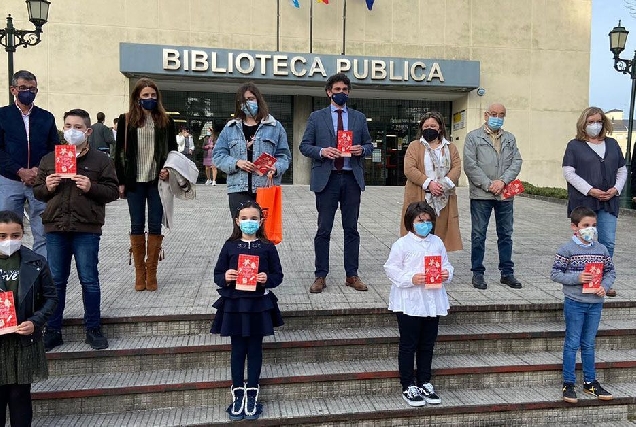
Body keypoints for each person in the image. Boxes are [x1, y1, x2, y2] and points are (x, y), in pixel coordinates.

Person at [33, 109, 119, 352]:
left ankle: (93, 328)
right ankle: (53, 330)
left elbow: (112, 192)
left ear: (88, 131)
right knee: (56, 281)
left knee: (89, 280)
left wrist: (91, 186)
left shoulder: (101, 161)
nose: (72, 131)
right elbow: (37, 191)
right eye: (68, 125)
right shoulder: (50, 159)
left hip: (86, 227)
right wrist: (46, 186)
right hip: (56, 226)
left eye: (78, 127)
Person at [299, 73, 374, 293]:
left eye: (344, 89)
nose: (341, 93)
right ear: (328, 92)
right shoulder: (316, 117)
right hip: (327, 179)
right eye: (337, 89)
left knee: (351, 229)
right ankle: (320, 275)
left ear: (348, 92)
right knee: (324, 229)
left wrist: (362, 149)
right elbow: (305, 146)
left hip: (351, 178)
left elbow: (369, 144)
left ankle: (352, 275)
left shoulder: (359, 118)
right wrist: (322, 151)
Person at [210, 200, 284, 421]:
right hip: (234, 304)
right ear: (237, 221)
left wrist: (266, 279)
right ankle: (237, 393)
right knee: (237, 350)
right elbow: (217, 273)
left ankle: (252, 392)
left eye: (253, 218)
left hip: (258, 305)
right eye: (244, 218)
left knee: (255, 349)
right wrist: (226, 276)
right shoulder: (230, 245)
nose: (249, 222)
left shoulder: (267, 246)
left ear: (261, 221)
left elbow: (278, 276)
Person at [384, 201, 453, 407]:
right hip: (410, 302)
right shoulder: (402, 244)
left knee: (427, 344)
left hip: (432, 300)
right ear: (411, 222)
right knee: (409, 344)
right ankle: (408, 384)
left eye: (428, 221)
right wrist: (411, 278)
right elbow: (391, 269)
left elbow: (446, 263)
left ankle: (424, 381)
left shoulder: (437, 242)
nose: (424, 224)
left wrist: (447, 273)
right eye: (420, 220)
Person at [114, 78, 178, 292]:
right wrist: (121, 181)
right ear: (137, 98)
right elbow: (119, 154)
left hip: (156, 181)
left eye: (153, 95)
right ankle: (139, 273)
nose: (150, 98)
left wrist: (168, 169)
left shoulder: (166, 121)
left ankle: (152, 272)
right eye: (145, 95)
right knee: (136, 224)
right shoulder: (126, 120)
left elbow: (173, 152)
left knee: (154, 225)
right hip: (134, 181)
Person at [550, 206, 614, 404]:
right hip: (575, 303)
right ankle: (568, 383)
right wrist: (577, 278)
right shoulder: (566, 250)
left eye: (594, 226)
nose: (591, 230)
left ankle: (590, 382)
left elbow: (610, 272)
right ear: (574, 227)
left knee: (588, 343)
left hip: (595, 303)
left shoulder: (601, 249)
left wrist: (604, 286)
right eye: (586, 226)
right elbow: (555, 274)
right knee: (572, 342)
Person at [0, 210, 57, 427]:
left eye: (15, 236)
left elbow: (51, 298)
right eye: (2, 236)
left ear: (23, 234)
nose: (9, 241)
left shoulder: (36, 261)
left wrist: (36, 321)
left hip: (24, 341)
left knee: (20, 396)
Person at [563, 107, 625, 298]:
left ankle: (603, 282)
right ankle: (587, 279)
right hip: (585, 201)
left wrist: (616, 189)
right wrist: (590, 190)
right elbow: (568, 172)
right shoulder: (575, 146)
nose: (595, 125)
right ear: (583, 124)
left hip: (608, 201)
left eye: (598, 121)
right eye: (590, 122)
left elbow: (622, 169)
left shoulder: (612, 144)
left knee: (607, 242)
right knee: (584, 242)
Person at [463, 103, 523, 290]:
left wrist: (502, 182)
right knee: (478, 234)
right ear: (486, 115)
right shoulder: (473, 137)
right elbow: (470, 165)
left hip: (505, 194)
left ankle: (507, 273)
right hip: (482, 194)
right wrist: (489, 184)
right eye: (494, 114)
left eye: (502, 114)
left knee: (506, 234)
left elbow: (517, 161)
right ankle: (477, 273)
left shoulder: (509, 138)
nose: (497, 117)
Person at [0, 70, 59, 258]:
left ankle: (39, 270)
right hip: (10, 180)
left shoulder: (46, 117)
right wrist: (19, 171)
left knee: (42, 230)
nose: (28, 92)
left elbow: (53, 149)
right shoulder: (3, 115)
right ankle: (8, 268)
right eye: (23, 88)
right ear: (13, 90)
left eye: (32, 89)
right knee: (7, 227)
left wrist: (37, 170)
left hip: (39, 181)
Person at [213, 82, 291, 216]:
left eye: (251, 99)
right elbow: (218, 155)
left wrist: (276, 167)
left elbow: (284, 156)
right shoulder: (230, 128)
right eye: (243, 100)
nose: (247, 103)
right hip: (238, 189)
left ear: (258, 100)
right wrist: (236, 163)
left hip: (265, 187)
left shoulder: (274, 126)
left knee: (265, 231)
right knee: (241, 231)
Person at [401, 112, 462, 252]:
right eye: (426, 125)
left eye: (433, 125)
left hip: (442, 196)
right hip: (420, 195)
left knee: (439, 233)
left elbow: (457, 168)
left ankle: (435, 264)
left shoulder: (450, 147)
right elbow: (409, 169)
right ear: (421, 128)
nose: (429, 128)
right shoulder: (414, 146)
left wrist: (442, 185)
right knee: (418, 230)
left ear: (440, 128)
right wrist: (429, 183)